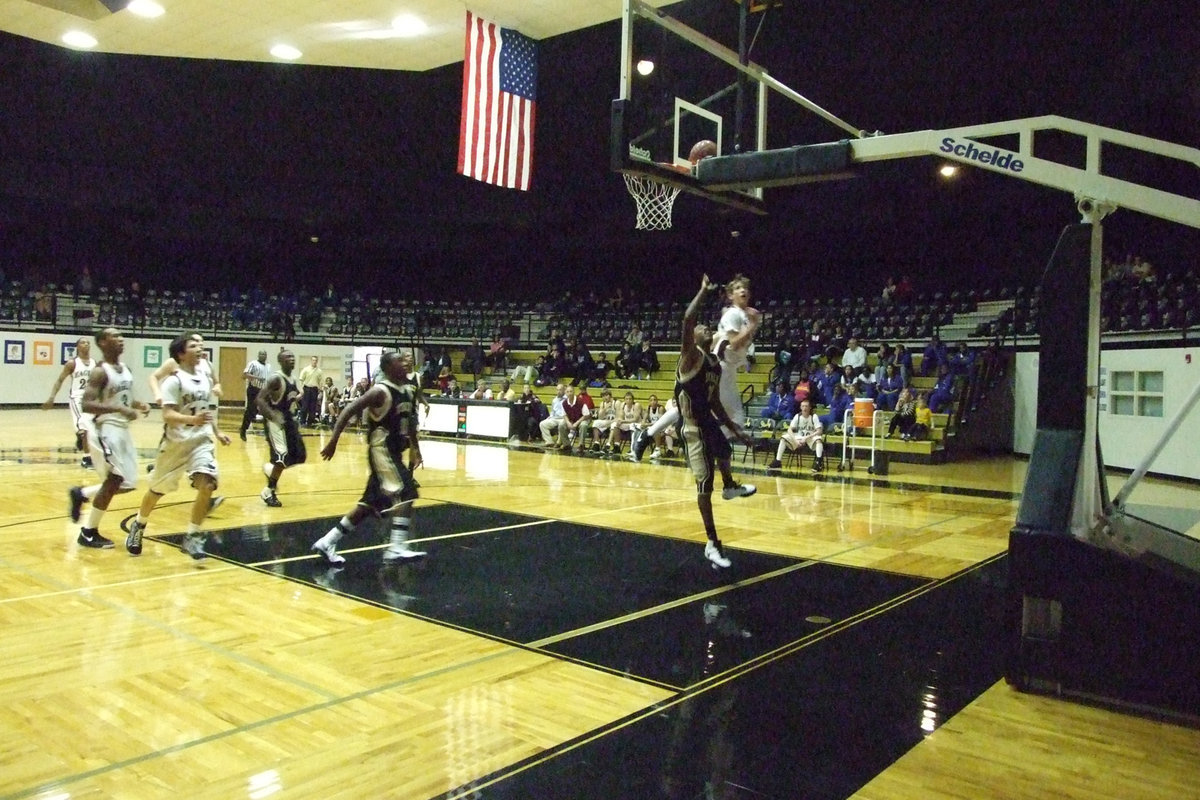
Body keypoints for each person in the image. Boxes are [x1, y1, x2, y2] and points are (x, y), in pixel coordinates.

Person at [311, 351, 425, 565]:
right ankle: (397, 548)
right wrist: (333, 441)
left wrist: (415, 449)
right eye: (399, 360)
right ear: (388, 367)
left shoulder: (409, 390)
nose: (404, 363)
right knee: (407, 492)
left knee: (368, 506)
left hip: (395, 452)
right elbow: (347, 411)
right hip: (381, 450)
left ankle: (327, 542)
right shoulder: (379, 391)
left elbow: (409, 421)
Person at [675, 274, 757, 570]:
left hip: (707, 421)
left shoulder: (713, 364)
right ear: (693, 338)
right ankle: (711, 542)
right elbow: (687, 319)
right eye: (701, 327)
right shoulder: (690, 356)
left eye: (706, 326)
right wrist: (702, 292)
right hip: (692, 428)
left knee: (725, 449)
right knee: (704, 485)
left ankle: (731, 486)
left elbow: (716, 405)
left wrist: (738, 431)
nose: (704, 327)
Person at [632, 275, 761, 460]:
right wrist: (753, 326)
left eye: (745, 288)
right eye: (738, 288)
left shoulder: (740, 315)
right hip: (720, 369)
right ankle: (701, 446)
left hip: (727, 369)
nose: (743, 290)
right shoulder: (735, 314)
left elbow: (724, 337)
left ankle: (650, 435)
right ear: (730, 295)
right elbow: (734, 342)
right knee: (732, 418)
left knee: (694, 409)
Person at [125, 334, 231, 560]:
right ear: (181, 354)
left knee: (209, 483)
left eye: (200, 344)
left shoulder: (204, 376)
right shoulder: (174, 381)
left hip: (201, 441)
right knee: (156, 491)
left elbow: (205, 410)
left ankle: (192, 536)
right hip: (176, 443)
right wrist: (192, 420)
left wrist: (216, 431)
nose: (199, 348)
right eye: (193, 346)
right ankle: (139, 524)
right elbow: (168, 415)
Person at [70, 328, 151, 550]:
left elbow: (124, 397)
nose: (121, 339)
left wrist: (138, 404)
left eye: (122, 336)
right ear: (103, 343)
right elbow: (86, 403)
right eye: (114, 336)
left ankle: (82, 494)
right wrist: (117, 408)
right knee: (115, 479)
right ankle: (88, 532)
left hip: (122, 429)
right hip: (106, 428)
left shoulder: (126, 369)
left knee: (126, 484)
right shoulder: (100, 371)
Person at [256, 348, 307, 507]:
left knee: (300, 455)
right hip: (275, 421)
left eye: (292, 356)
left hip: (288, 419)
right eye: (287, 357)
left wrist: (298, 397)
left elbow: (291, 396)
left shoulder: (291, 378)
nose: (291, 359)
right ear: (280, 361)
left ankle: (270, 469)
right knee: (282, 457)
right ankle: (268, 491)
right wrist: (272, 415)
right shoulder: (275, 379)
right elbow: (259, 400)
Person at [43, 336, 96, 468]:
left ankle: (81, 437)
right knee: (84, 427)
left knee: (92, 428)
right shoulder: (72, 363)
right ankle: (86, 458)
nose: (86, 344)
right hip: (77, 398)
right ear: (77, 347)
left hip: (91, 399)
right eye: (83, 342)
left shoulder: (95, 363)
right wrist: (52, 397)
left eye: (88, 343)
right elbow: (60, 380)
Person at [769, 399, 825, 472]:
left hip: (810, 437)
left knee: (819, 440)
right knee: (783, 438)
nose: (804, 408)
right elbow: (789, 430)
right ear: (800, 407)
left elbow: (819, 431)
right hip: (798, 437)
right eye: (803, 406)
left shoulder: (814, 416)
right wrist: (795, 440)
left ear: (810, 408)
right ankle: (778, 461)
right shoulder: (797, 416)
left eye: (806, 406)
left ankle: (818, 462)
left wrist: (806, 438)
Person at [239, 349, 269, 441]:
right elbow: (244, 375)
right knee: (251, 411)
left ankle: (268, 434)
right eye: (261, 354)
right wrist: (257, 378)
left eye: (264, 354)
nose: (263, 356)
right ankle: (243, 430)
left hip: (263, 390)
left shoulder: (268, 366)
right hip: (253, 389)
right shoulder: (253, 364)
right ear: (258, 355)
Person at [297, 355, 324, 426]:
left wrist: (320, 391)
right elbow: (301, 379)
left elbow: (321, 382)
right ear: (311, 361)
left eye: (316, 360)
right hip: (306, 388)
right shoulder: (306, 369)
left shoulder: (319, 371)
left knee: (313, 407)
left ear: (317, 362)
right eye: (313, 360)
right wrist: (301, 389)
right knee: (305, 406)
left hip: (314, 389)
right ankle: (302, 421)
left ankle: (310, 422)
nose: (314, 362)